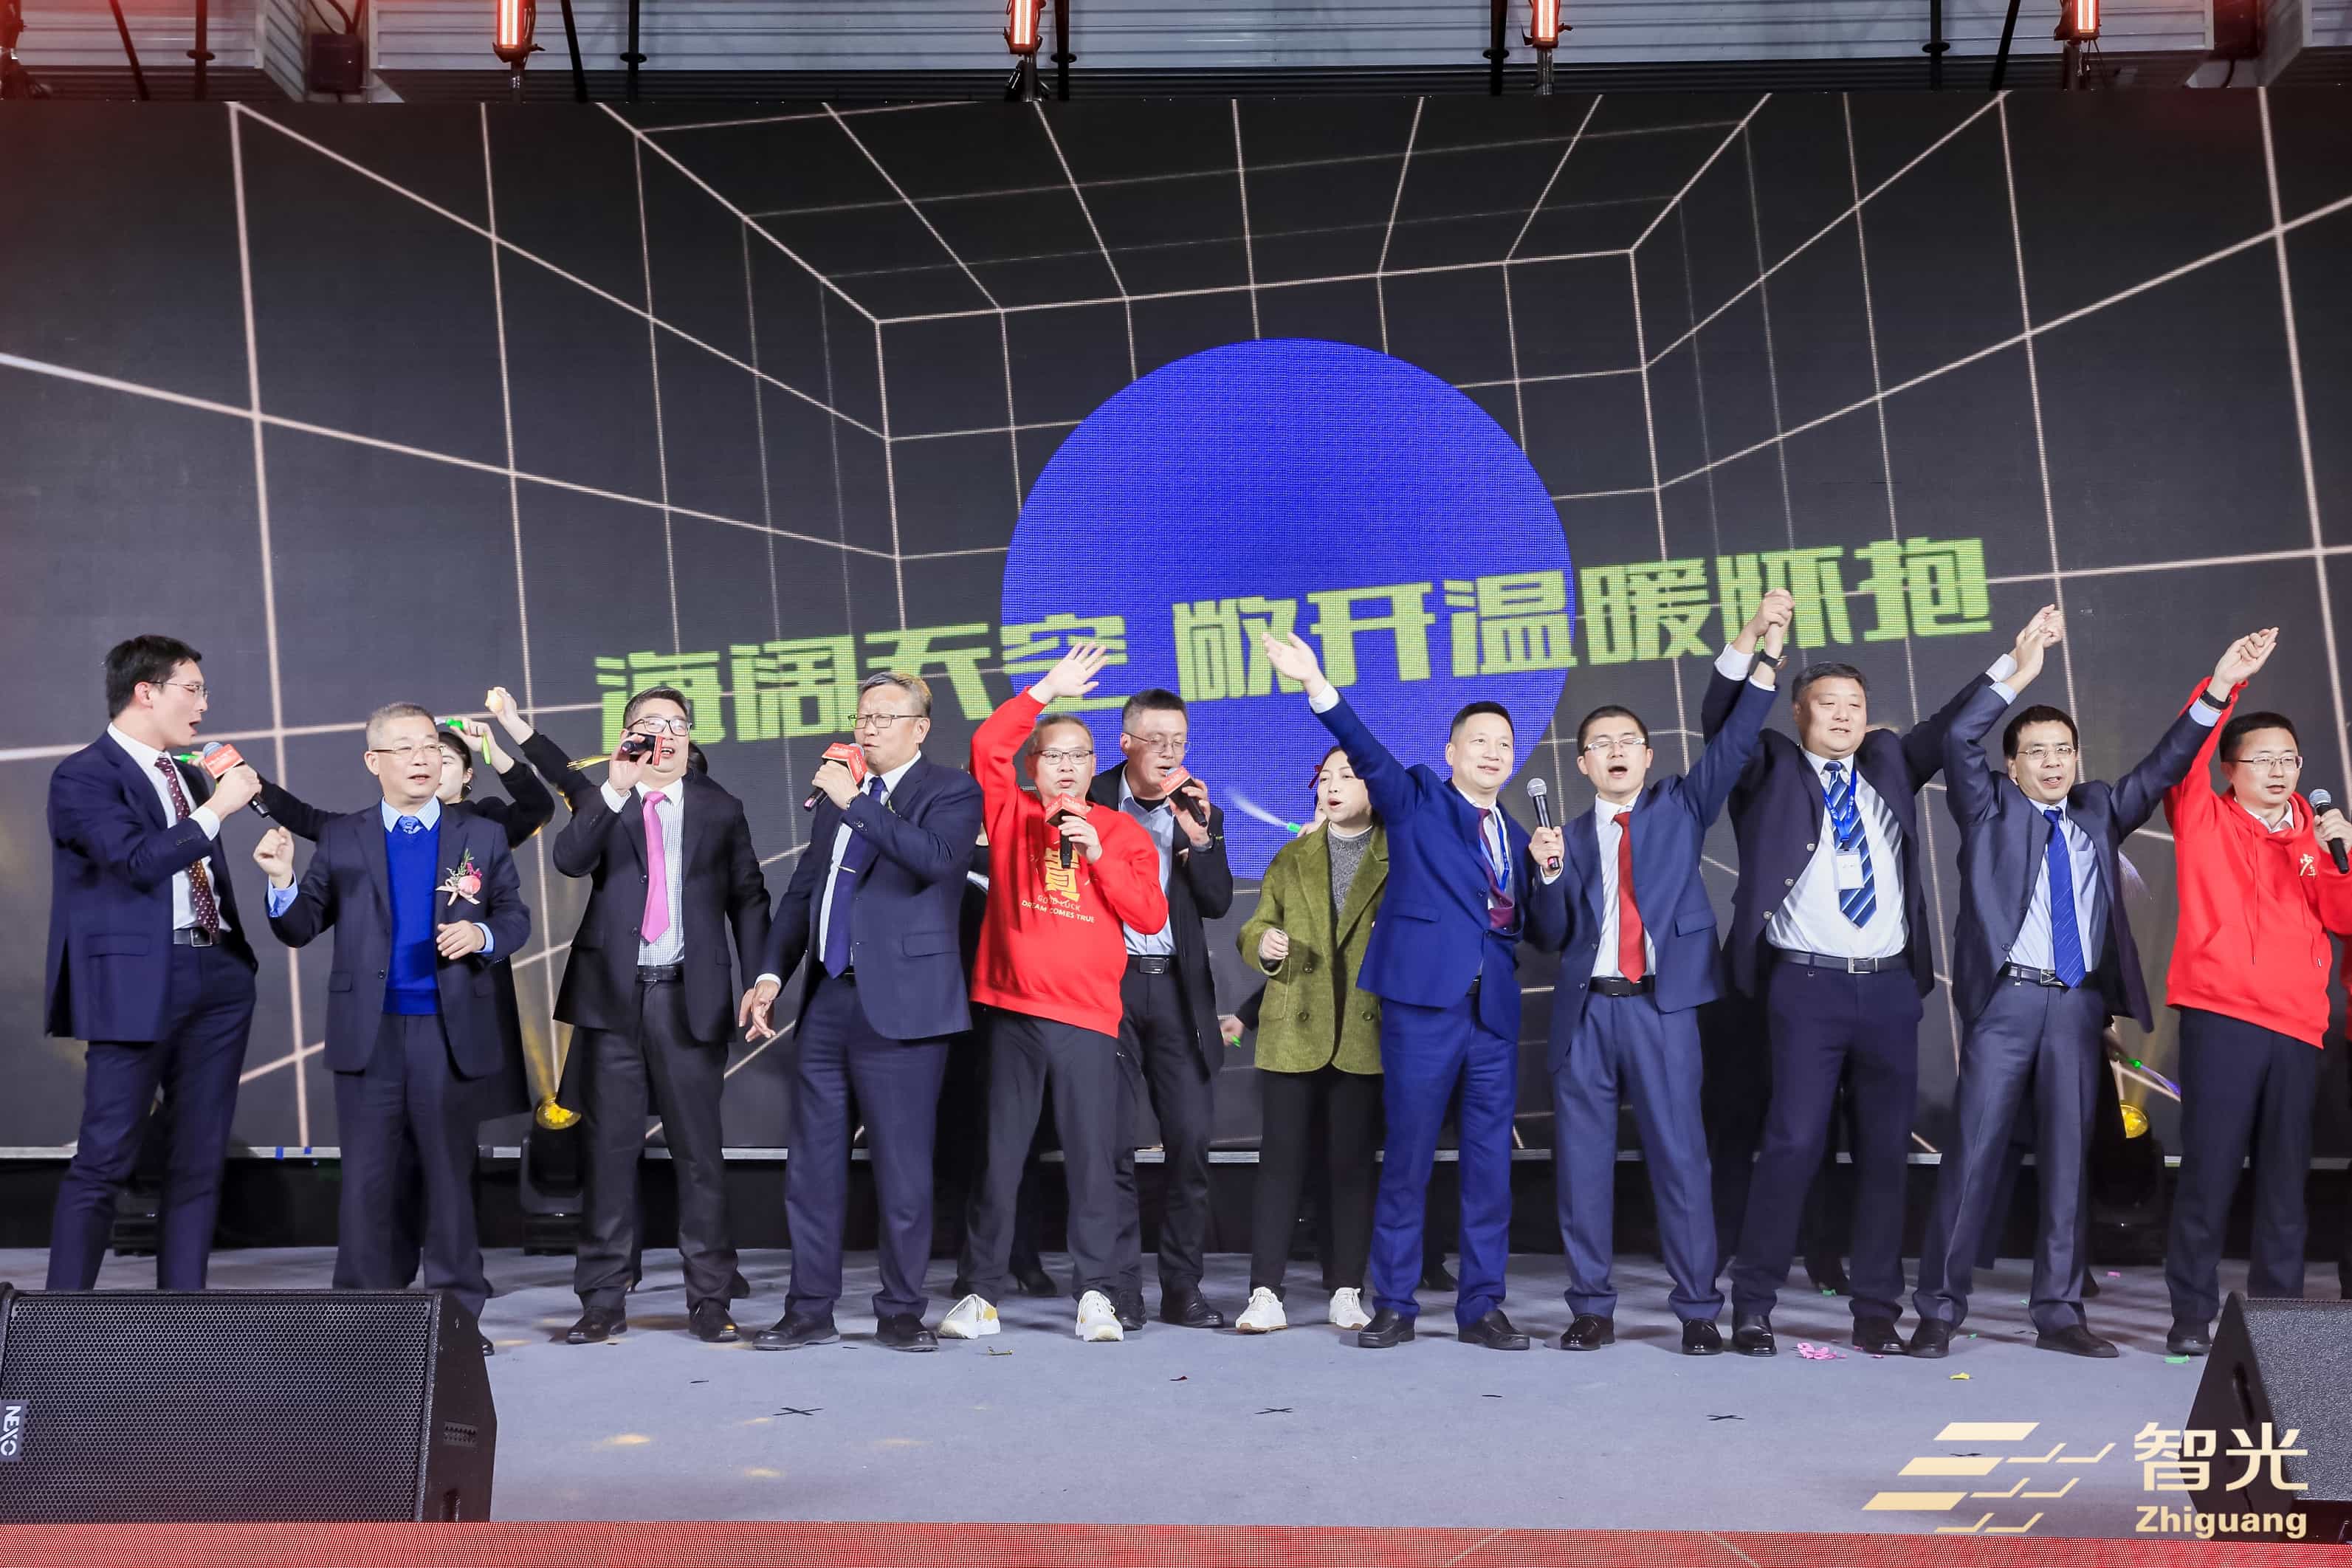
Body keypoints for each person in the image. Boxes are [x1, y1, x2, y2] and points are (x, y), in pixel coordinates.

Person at [1911, 617, 2256, 1358]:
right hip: (2007, 1003)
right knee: (1972, 1157)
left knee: (2069, 1161)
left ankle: (2060, 1312)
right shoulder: (1987, 806)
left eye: (2063, 750)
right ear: (2011, 766)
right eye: (2036, 751)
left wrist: (2220, 688)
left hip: (2075, 1008)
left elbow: (2163, 768)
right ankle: (1938, 1310)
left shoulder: (2097, 809)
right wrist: (2018, 672)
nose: (2053, 762)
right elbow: (1958, 738)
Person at [1713, 604, 2045, 1358]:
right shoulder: (1766, 765)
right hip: (1805, 988)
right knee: (1793, 1143)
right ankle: (1754, 1303)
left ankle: (1875, 1311)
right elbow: (1721, 717)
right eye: (1827, 704)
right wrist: (1757, 646)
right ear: (1798, 714)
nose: (1843, 715)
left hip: (1890, 990)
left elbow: (1952, 723)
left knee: (1885, 1154)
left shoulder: (1890, 760)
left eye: (1854, 705)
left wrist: (2015, 665)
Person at [1259, 630, 1566, 1351]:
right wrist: (1316, 684)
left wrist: (1550, 874)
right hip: (1424, 1009)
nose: (1493, 752)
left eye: (1504, 744)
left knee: (1489, 1168)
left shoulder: (1516, 833)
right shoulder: (1420, 797)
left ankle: (1481, 1307)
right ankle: (1394, 1303)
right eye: (1479, 741)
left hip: (1492, 1016)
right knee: (1408, 1158)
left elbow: (1545, 933)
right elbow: (1365, 751)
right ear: (1452, 751)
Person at [1546, 595, 1785, 1355]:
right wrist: (1545, 876)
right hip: (1586, 1016)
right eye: (1600, 744)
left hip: (1663, 1007)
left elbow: (1737, 737)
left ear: (1649, 757)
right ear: (1582, 763)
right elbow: (1548, 934)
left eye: (1629, 741)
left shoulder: (1681, 806)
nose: (1615, 751)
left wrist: (1761, 652)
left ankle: (1697, 1309)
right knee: (1583, 1168)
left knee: (1682, 1160)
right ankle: (1591, 1307)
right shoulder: (1563, 839)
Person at [253, 704, 530, 1352]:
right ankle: (362, 1318)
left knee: (450, 1179)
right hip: (369, 1033)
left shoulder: (479, 834)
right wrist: (282, 880)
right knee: (368, 1181)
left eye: (429, 745)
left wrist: (482, 935)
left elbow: (514, 917)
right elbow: (300, 926)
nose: (421, 758)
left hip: (448, 1032)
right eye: (404, 748)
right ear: (374, 762)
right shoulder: (344, 836)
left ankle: (457, 1318)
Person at [740, 673, 984, 1353]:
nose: (868, 727)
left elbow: (936, 861)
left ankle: (901, 1310)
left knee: (902, 1171)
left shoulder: (950, 791)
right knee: (812, 1166)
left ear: (920, 728)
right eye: (863, 716)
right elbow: (805, 893)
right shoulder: (841, 798)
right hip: (828, 999)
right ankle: (808, 1309)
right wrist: (770, 974)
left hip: (904, 1007)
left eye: (884, 717)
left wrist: (855, 803)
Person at [942, 643, 1168, 1343]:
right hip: (1013, 1013)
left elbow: (1150, 916)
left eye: (1078, 756)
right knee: (999, 1159)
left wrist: (1097, 856)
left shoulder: (1120, 832)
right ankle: (980, 1294)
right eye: (1053, 756)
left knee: (1093, 1163)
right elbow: (986, 745)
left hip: (1089, 1022)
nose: (1066, 766)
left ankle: (1096, 1293)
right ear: (1033, 765)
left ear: (1095, 765)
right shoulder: (1009, 813)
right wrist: (1044, 690)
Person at [45, 635, 265, 1290]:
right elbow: (137, 862)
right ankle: (58, 1325)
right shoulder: (85, 775)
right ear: (146, 692)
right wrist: (219, 807)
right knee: (105, 1158)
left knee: (198, 1161)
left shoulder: (190, 774)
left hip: (218, 974)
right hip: (137, 982)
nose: (204, 705)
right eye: (192, 689)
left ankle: (180, 1320)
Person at [551, 686, 768, 1346]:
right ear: (628, 736)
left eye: (677, 724)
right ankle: (602, 1298)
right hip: (612, 997)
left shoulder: (719, 807)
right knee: (609, 1152)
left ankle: (710, 1297)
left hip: (687, 995)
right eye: (651, 724)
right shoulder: (608, 799)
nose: (665, 735)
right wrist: (614, 789)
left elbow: (749, 897)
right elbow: (569, 860)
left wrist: (759, 978)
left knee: (699, 1155)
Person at [2157, 628, 2352, 1356]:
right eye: (2262, 759)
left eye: (2288, 759)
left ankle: (2278, 1319)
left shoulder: (2317, 836)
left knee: (2284, 1183)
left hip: (2299, 1026)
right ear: (2231, 769)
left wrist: (2340, 859)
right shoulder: (2202, 815)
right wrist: (2222, 685)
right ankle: (2190, 1316)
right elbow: (2184, 755)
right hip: (2222, 1018)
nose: (2278, 771)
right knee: (2208, 1174)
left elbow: (2345, 919)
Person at [1091, 689, 1235, 1331]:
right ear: (1126, 743)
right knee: (1113, 1144)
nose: (1170, 752)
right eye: (1157, 740)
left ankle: (1183, 1287)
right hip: (1108, 986)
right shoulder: (1090, 798)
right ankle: (1123, 1289)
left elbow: (1217, 902)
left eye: (1179, 740)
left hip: (1177, 988)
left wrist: (1201, 842)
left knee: (1191, 1142)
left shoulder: (1198, 806)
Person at [1233, 746, 1389, 1334]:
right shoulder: (1293, 854)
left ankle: (1346, 1289)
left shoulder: (1397, 852)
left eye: (1347, 776)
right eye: (1325, 777)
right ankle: (1264, 1292)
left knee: (1351, 1165)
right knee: (1280, 1163)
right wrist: (1263, 944)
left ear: (1373, 787)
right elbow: (1255, 925)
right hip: (1293, 1026)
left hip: (1363, 1027)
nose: (1333, 786)